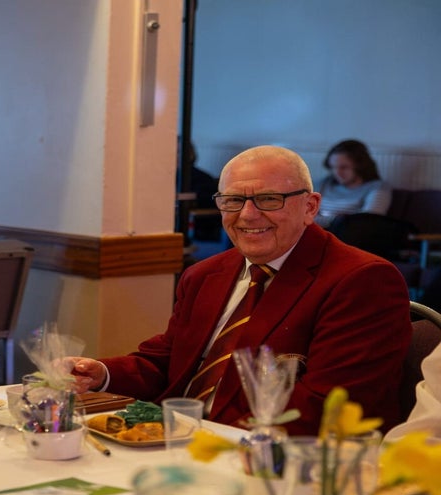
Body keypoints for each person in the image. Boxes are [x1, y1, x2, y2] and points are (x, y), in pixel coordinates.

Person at [66, 145, 411, 435]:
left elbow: (327, 407)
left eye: (268, 199)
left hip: (276, 462)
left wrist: (205, 441)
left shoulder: (361, 281)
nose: (247, 215)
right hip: (176, 442)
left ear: (310, 206)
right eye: (232, 200)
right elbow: (171, 361)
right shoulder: (205, 274)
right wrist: (101, 373)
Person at [315, 139, 393, 228]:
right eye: (333, 167)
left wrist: (323, 220)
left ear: (360, 166)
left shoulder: (378, 187)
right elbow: (304, 216)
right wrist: (339, 220)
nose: (337, 173)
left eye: (344, 167)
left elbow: (368, 221)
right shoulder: (322, 184)